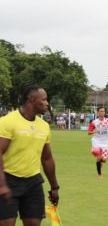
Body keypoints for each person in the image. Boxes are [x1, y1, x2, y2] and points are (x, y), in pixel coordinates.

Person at [0, 85, 60, 226]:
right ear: (32, 100)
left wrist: (55, 187)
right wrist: (2, 185)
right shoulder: (8, 121)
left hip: (33, 183)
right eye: (44, 99)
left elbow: (47, 158)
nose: (47, 103)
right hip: (9, 180)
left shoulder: (44, 126)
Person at [88, 107, 108, 179]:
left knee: (104, 159)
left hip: (105, 142)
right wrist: (95, 131)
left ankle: (101, 161)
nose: (102, 113)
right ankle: (99, 174)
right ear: (98, 112)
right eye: (101, 111)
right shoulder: (94, 122)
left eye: (103, 111)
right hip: (96, 141)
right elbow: (89, 132)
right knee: (98, 157)